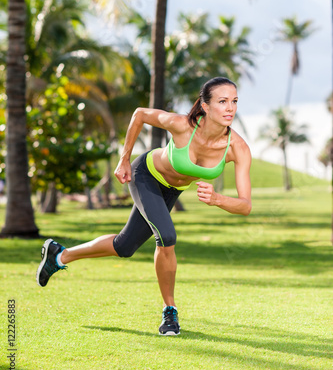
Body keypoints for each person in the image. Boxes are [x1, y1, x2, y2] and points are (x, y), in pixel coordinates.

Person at [36, 77, 252, 335]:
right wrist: (124, 159)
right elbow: (140, 115)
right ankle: (169, 312)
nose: (230, 108)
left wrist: (218, 199)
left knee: (124, 246)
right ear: (205, 106)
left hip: (171, 191)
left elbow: (246, 205)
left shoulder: (237, 147)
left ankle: (59, 255)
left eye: (234, 101)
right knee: (167, 236)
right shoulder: (182, 125)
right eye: (222, 101)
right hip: (145, 174)